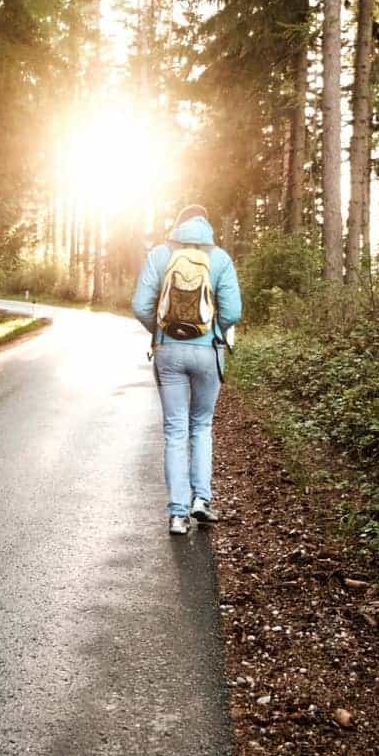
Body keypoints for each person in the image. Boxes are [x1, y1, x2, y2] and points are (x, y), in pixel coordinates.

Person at [131, 205, 242, 535]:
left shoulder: (160, 255)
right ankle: (201, 501)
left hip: (169, 352)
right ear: (207, 226)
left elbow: (139, 305)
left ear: (178, 227)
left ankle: (178, 514)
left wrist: (161, 332)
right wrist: (214, 332)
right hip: (208, 352)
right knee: (201, 426)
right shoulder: (219, 258)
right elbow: (233, 311)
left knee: (175, 431)